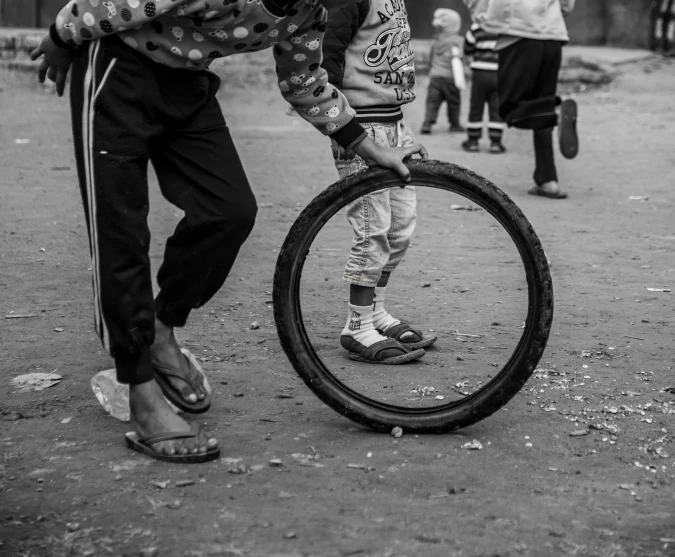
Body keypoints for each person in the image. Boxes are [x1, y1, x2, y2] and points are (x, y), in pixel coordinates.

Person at [30, 0, 427, 463]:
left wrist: (364, 145)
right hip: (116, 70)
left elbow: (303, 80)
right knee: (120, 234)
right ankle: (139, 391)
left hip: (188, 84)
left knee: (229, 211)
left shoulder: (311, 12)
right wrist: (61, 38)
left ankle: (161, 327)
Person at [322, 0, 437, 365]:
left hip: (394, 123)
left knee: (400, 229)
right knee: (374, 230)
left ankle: (376, 313)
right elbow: (325, 55)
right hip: (360, 127)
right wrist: (343, 128)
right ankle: (357, 326)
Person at [463, 0, 579, 199]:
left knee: (511, 110)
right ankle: (547, 180)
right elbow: (566, 5)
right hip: (553, 36)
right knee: (541, 105)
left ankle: (556, 116)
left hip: (518, 34)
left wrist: (483, 14)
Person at [462, 21, 506, 154]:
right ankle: (496, 143)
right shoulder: (505, 26)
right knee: (497, 108)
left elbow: (467, 48)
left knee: (476, 106)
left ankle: (473, 141)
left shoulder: (477, 27)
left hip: (480, 73)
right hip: (499, 73)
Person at [420, 8, 466, 135]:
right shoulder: (458, 40)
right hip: (451, 78)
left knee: (432, 102)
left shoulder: (436, 41)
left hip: (435, 77)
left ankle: (427, 123)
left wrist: (431, 70)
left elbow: (430, 59)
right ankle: (455, 124)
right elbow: (461, 57)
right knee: (454, 103)